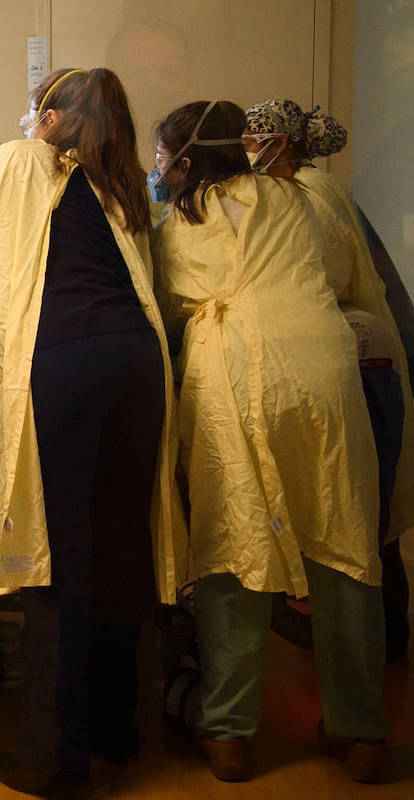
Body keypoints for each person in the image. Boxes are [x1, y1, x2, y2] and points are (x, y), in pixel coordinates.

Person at [0, 68, 183, 795]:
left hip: (66, 364)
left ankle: (52, 756)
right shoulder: (119, 187)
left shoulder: (22, 159)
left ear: (49, 118)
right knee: (120, 550)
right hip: (137, 365)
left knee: (58, 557)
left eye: (33, 111)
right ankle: (118, 730)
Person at [151, 100, 388, 784]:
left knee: (235, 544)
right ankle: (361, 733)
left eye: (163, 157)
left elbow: (165, 305)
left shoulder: (181, 221)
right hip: (320, 370)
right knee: (343, 543)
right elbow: (342, 274)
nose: (159, 169)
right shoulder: (302, 200)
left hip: (230, 373)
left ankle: (229, 734)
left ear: (187, 160)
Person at [243, 99, 414, 657]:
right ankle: (383, 640)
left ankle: (364, 649)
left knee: (351, 512)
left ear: (279, 143)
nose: (246, 151)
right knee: (370, 509)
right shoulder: (328, 188)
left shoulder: (307, 194)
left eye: (252, 140)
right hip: (365, 356)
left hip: (346, 361)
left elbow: (321, 270)